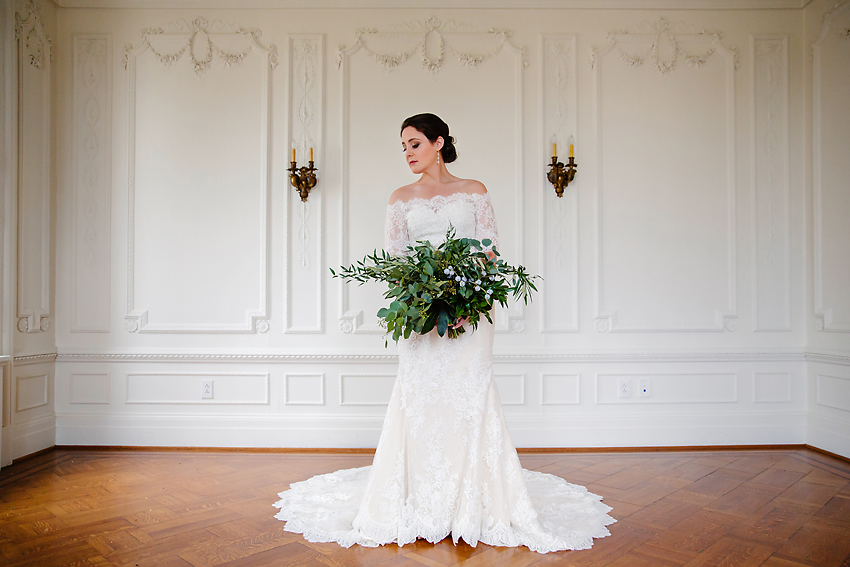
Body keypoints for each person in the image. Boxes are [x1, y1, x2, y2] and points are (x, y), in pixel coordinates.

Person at [274, 113, 615, 553]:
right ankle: (419, 500)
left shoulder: (474, 192)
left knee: (470, 397)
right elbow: (396, 264)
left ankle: (475, 503)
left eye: (414, 144)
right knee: (420, 398)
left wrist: (463, 302)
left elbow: (490, 254)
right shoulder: (400, 198)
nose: (408, 155)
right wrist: (425, 302)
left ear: (438, 143)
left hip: (472, 317)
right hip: (421, 319)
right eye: (404, 148)